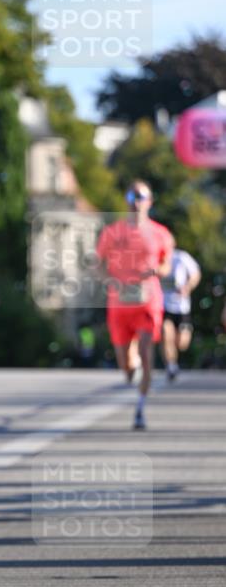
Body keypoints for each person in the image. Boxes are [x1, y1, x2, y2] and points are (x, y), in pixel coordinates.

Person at [96, 180, 174, 430]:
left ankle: (140, 407)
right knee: (126, 366)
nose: (136, 202)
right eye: (132, 197)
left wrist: (157, 270)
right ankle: (132, 368)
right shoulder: (112, 232)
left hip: (148, 301)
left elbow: (167, 265)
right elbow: (98, 264)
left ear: (150, 202)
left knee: (146, 351)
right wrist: (110, 280)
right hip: (119, 304)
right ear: (126, 200)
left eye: (141, 197)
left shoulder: (161, 233)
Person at [161, 249, 201, 381]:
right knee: (167, 336)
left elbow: (196, 273)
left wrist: (188, 286)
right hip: (164, 306)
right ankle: (171, 366)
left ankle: (173, 359)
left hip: (182, 308)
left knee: (182, 343)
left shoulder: (181, 256)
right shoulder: (157, 257)